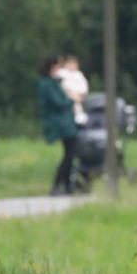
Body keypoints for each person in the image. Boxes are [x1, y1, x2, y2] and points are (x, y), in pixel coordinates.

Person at [37, 54, 79, 196]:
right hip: (61, 124)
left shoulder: (54, 83)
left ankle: (67, 186)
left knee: (70, 154)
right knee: (69, 155)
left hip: (65, 122)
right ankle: (57, 185)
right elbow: (58, 103)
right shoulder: (47, 84)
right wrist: (72, 100)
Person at [54, 54, 89, 126]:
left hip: (76, 102)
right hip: (64, 100)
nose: (71, 65)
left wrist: (78, 97)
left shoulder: (79, 75)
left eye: (73, 63)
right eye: (69, 63)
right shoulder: (61, 73)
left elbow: (83, 90)